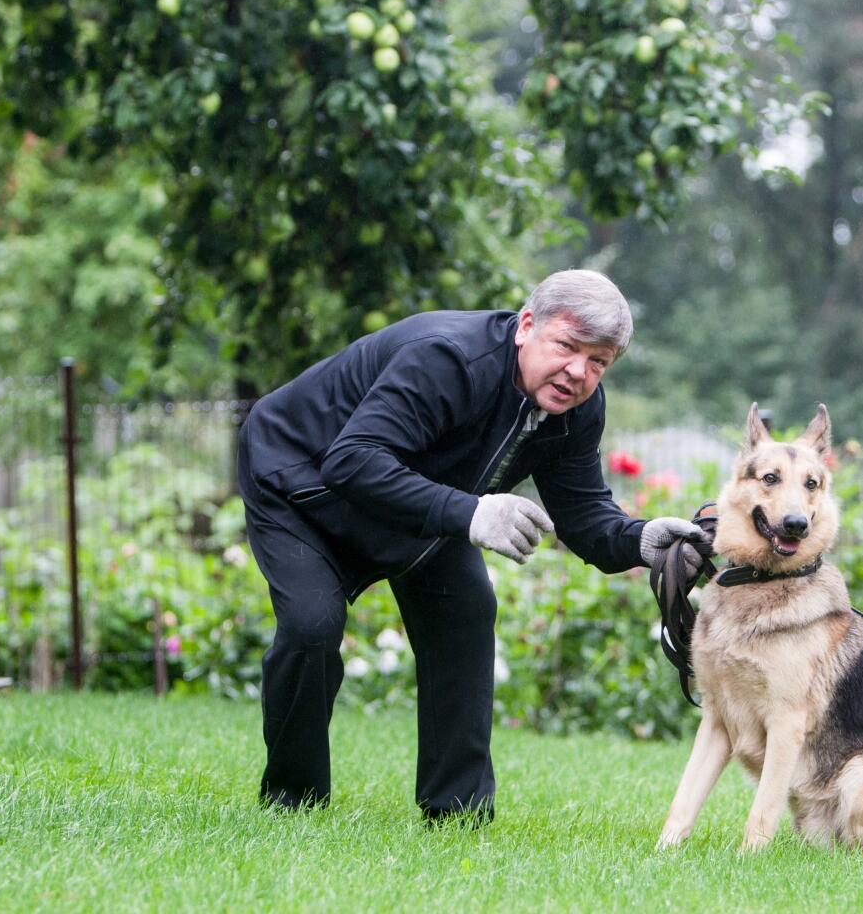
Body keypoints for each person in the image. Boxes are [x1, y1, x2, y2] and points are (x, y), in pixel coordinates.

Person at [236, 268, 706, 824]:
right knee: (311, 626)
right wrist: (472, 511)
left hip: (418, 497)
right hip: (301, 481)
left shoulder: (576, 410)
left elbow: (582, 518)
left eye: (598, 361)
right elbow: (352, 459)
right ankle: (292, 804)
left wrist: (645, 539)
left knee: (465, 611)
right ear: (526, 326)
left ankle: (456, 814)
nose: (578, 372)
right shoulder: (448, 358)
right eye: (567, 346)